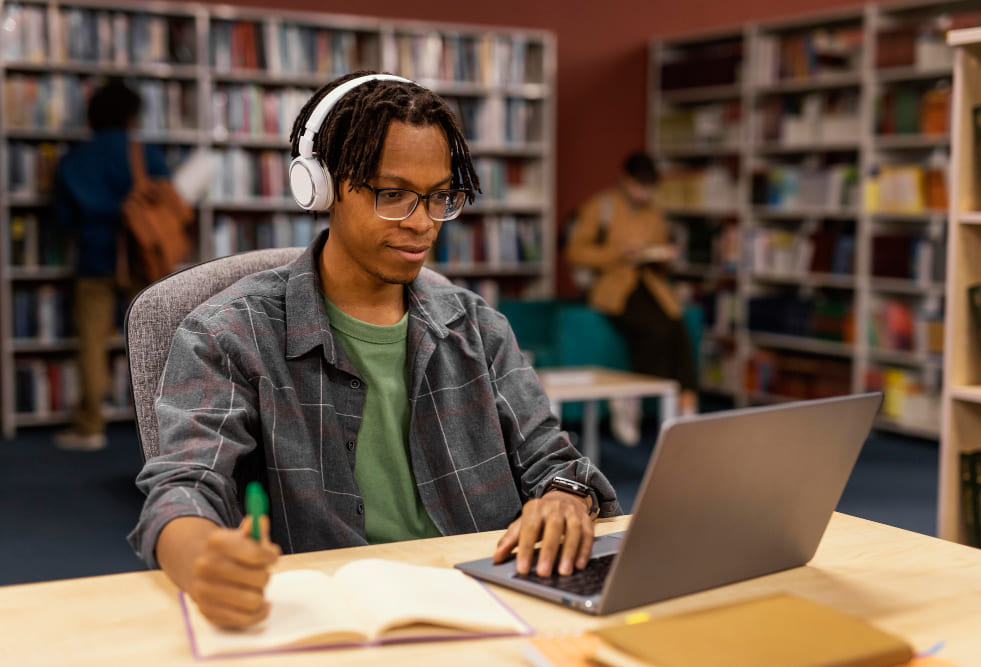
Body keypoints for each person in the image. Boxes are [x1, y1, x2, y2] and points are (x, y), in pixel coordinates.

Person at [128, 71, 621, 630]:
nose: (422, 223)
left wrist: (564, 497)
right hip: (331, 620)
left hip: (491, 605)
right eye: (393, 195)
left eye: (439, 197)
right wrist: (201, 562)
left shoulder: (477, 326)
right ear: (321, 187)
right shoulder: (228, 333)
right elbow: (184, 487)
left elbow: (555, 463)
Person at [51, 79, 171, 451]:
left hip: (94, 257)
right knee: (154, 342)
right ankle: (163, 428)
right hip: (142, 260)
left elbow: (63, 217)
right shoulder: (144, 153)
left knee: (91, 342)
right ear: (133, 116)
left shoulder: (74, 159)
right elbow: (167, 203)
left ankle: (90, 427)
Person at [565, 151, 698, 446]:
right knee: (655, 329)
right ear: (626, 180)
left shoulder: (655, 212)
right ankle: (636, 399)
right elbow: (576, 252)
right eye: (640, 185)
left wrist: (664, 255)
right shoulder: (601, 207)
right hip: (613, 286)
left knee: (677, 327)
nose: (644, 192)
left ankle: (687, 405)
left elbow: (661, 252)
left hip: (650, 284)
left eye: (649, 186)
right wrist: (619, 252)